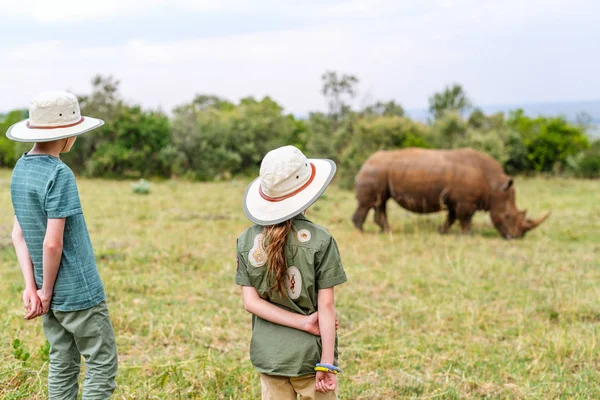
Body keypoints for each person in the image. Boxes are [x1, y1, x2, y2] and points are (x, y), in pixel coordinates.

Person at [7, 91, 118, 399]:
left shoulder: (20, 170)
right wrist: (45, 290)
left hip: (45, 288)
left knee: (62, 359)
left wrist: (34, 287)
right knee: (101, 362)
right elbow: (52, 244)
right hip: (78, 291)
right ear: (68, 136)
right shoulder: (60, 173)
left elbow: (18, 234)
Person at [236, 145, 347, 399]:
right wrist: (327, 363)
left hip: (270, 357)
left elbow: (250, 303)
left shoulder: (245, 241)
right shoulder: (321, 240)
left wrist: (303, 323)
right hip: (311, 359)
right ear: (309, 192)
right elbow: (327, 306)